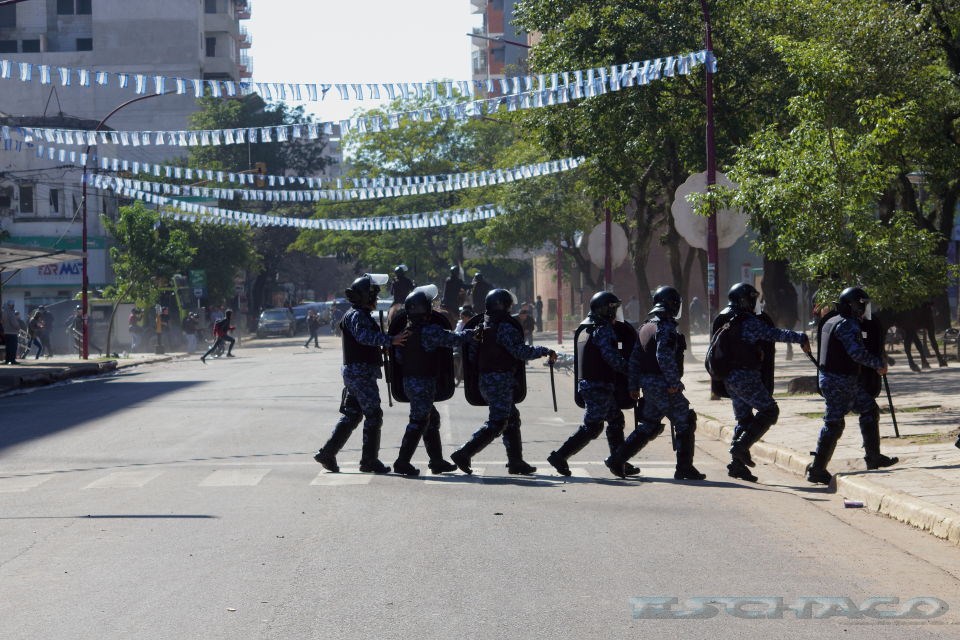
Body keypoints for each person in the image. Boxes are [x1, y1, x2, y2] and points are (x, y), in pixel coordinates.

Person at [450, 289, 556, 475]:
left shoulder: (483, 325)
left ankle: (516, 462)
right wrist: (544, 351)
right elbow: (520, 352)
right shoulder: (505, 327)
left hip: (487, 379)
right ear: (505, 305)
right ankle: (464, 453)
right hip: (499, 380)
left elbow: (472, 355)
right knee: (498, 422)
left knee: (512, 419)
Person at [713, 283, 810, 482]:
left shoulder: (725, 318)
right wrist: (800, 337)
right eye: (752, 299)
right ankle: (740, 447)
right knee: (770, 411)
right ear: (744, 300)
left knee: (744, 420)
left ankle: (737, 466)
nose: (754, 303)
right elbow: (773, 334)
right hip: (745, 377)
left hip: (729, 378)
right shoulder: (747, 321)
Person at [313, 275, 408, 474]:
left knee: (353, 414)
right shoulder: (357, 315)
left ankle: (327, 454)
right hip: (360, 373)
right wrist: (390, 340)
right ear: (366, 297)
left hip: (358, 372)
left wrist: (382, 345)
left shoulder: (357, 314)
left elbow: (364, 341)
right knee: (373, 415)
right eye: (374, 295)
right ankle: (369, 461)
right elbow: (364, 337)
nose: (376, 299)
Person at [608, 286, 705, 480]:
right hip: (663, 384)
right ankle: (684, 467)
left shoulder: (646, 327)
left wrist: (634, 385)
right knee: (685, 419)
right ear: (672, 304)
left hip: (648, 384)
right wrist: (673, 382)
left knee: (649, 424)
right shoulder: (665, 327)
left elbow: (634, 359)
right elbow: (664, 356)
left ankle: (617, 459)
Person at [806, 287, 898, 484]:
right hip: (839, 381)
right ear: (853, 305)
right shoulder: (848, 324)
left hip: (837, 379)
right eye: (861, 305)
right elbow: (856, 353)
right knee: (834, 423)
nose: (863, 309)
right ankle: (817, 468)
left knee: (868, 408)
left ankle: (873, 456)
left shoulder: (833, 320)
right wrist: (878, 364)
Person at [547, 291, 640, 478]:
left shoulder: (589, 325)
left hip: (595, 384)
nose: (615, 314)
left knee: (615, 420)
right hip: (598, 385)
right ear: (605, 310)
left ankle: (619, 460)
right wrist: (631, 370)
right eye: (613, 309)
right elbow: (611, 357)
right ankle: (560, 456)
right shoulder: (603, 329)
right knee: (592, 426)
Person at [391, 287, 471, 476]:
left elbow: (399, 358)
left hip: (410, 383)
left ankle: (436, 461)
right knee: (418, 421)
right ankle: (402, 462)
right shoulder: (429, 331)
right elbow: (454, 339)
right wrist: (473, 333)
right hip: (423, 383)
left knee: (431, 418)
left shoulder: (405, 332)